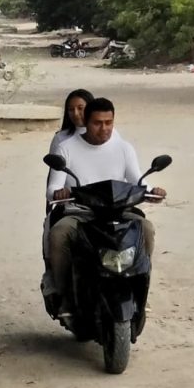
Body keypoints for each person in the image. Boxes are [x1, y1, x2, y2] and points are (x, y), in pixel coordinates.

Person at [41, 96, 163, 312]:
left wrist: (152, 190)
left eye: (109, 123)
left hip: (117, 210)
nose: (104, 128)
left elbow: (137, 180)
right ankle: (62, 293)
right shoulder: (66, 148)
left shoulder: (123, 148)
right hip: (80, 213)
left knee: (146, 228)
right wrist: (60, 193)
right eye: (98, 123)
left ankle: (140, 284)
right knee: (59, 233)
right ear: (86, 122)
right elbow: (52, 189)